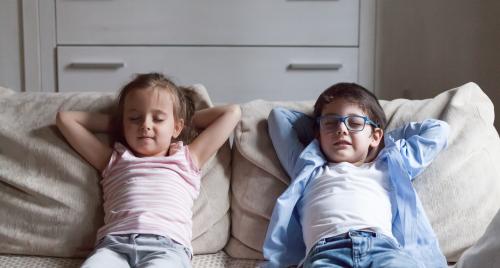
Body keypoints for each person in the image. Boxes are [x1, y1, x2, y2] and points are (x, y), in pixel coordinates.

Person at [56, 73, 241, 267]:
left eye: (159, 119)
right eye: (135, 118)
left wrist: (179, 123)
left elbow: (232, 113)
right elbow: (65, 119)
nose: (145, 125)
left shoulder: (187, 159)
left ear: (177, 126)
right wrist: (119, 125)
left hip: (167, 247)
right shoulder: (113, 160)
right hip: (113, 246)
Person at [263, 82, 449, 268]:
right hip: (326, 253)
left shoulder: (389, 165)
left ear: (375, 137)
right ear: (317, 134)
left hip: (383, 250)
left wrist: (382, 141)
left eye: (355, 123)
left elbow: (438, 130)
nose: (342, 129)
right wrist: (319, 129)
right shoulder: (307, 166)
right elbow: (278, 117)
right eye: (331, 122)